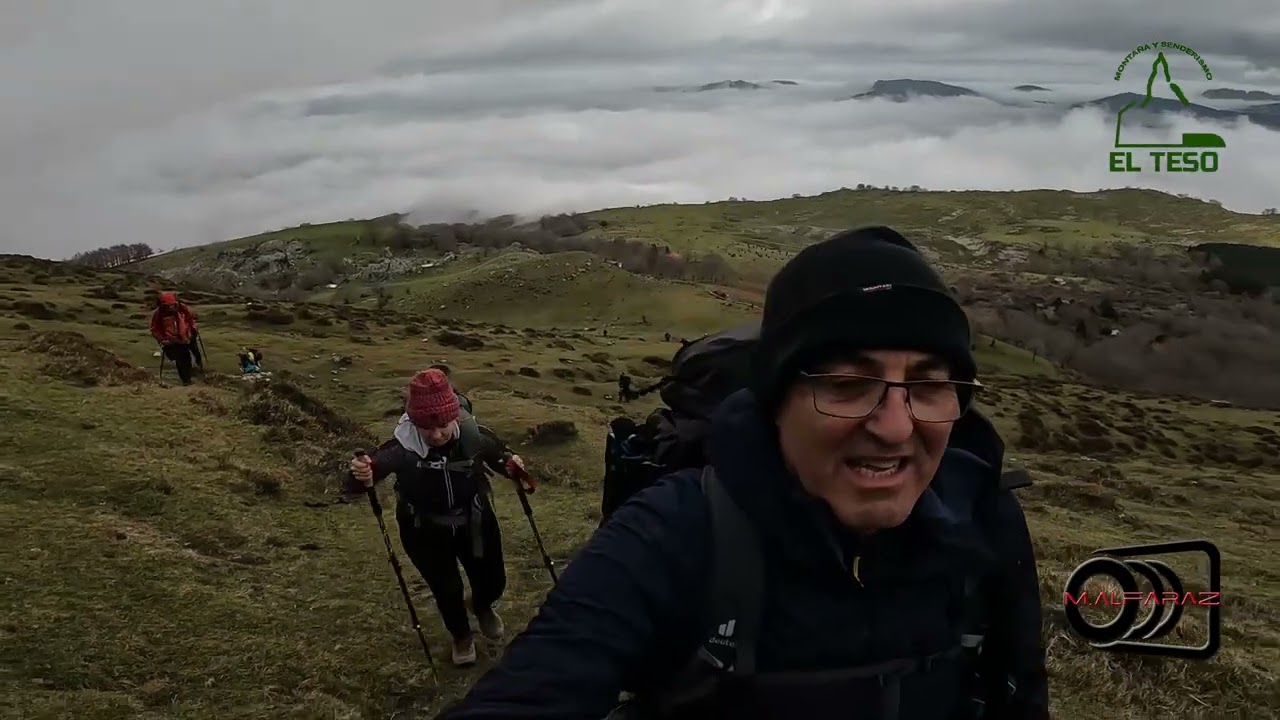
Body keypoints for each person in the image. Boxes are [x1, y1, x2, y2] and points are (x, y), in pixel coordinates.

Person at [435, 227, 1048, 719]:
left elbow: (1021, 694)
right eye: (846, 384)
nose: (894, 427)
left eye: (929, 385)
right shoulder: (678, 532)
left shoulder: (983, 515)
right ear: (776, 401)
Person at [347, 368, 530, 667]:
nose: (435, 435)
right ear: (414, 422)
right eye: (425, 427)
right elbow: (368, 474)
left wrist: (513, 466)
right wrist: (361, 474)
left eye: (443, 425)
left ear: (454, 416)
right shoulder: (402, 447)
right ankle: (461, 636)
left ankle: (482, 605)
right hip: (423, 529)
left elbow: (501, 456)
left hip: (476, 521)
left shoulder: (474, 436)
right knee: (446, 588)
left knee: (493, 579)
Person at [149, 291, 201, 385]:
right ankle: (186, 380)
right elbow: (154, 329)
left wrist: (192, 328)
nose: (171, 307)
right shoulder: (159, 313)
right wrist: (162, 339)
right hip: (173, 340)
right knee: (181, 359)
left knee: (191, 354)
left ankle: (195, 370)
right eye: (168, 305)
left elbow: (190, 319)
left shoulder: (182, 308)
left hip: (187, 336)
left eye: (172, 305)